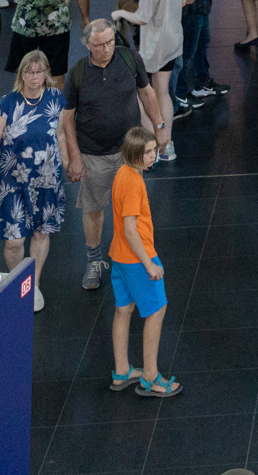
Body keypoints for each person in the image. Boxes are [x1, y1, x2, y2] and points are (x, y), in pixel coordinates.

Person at [61, 20, 160, 291]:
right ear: (87, 45)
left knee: (133, 211)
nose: (106, 49)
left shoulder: (130, 59)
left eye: (110, 42)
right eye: (100, 45)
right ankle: (94, 261)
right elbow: (67, 118)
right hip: (94, 152)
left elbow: (147, 92)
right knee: (94, 210)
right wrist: (75, 156)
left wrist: (159, 126)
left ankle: (134, 259)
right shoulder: (78, 72)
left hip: (129, 153)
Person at [0, 48, 69, 311]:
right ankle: (22, 280)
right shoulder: (8, 102)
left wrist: (67, 161)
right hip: (12, 182)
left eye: (39, 71)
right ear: (22, 74)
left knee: (41, 233)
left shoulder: (55, 99)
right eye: (29, 71)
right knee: (14, 239)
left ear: (46, 74)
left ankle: (34, 285)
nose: (34, 76)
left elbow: (60, 134)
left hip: (46, 180)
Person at [107, 128, 179, 398]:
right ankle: (150, 378)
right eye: (147, 152)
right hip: (137, 258)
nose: (153, 156)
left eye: (153, 150)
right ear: (133, 153)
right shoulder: (134, 182)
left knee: (123, 310)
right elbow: (130, 229)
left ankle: (122, 371)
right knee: (157, 310)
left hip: (120, 256)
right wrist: (149, 264)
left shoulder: (123, 174)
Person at [110, 0, 188, 161]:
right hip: (173, 41)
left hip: (154, 46)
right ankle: (168, 145)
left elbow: (141, 18)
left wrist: (120, 14)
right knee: (163, 92)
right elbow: (183, 0)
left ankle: (154, 142)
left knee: (142, 92)